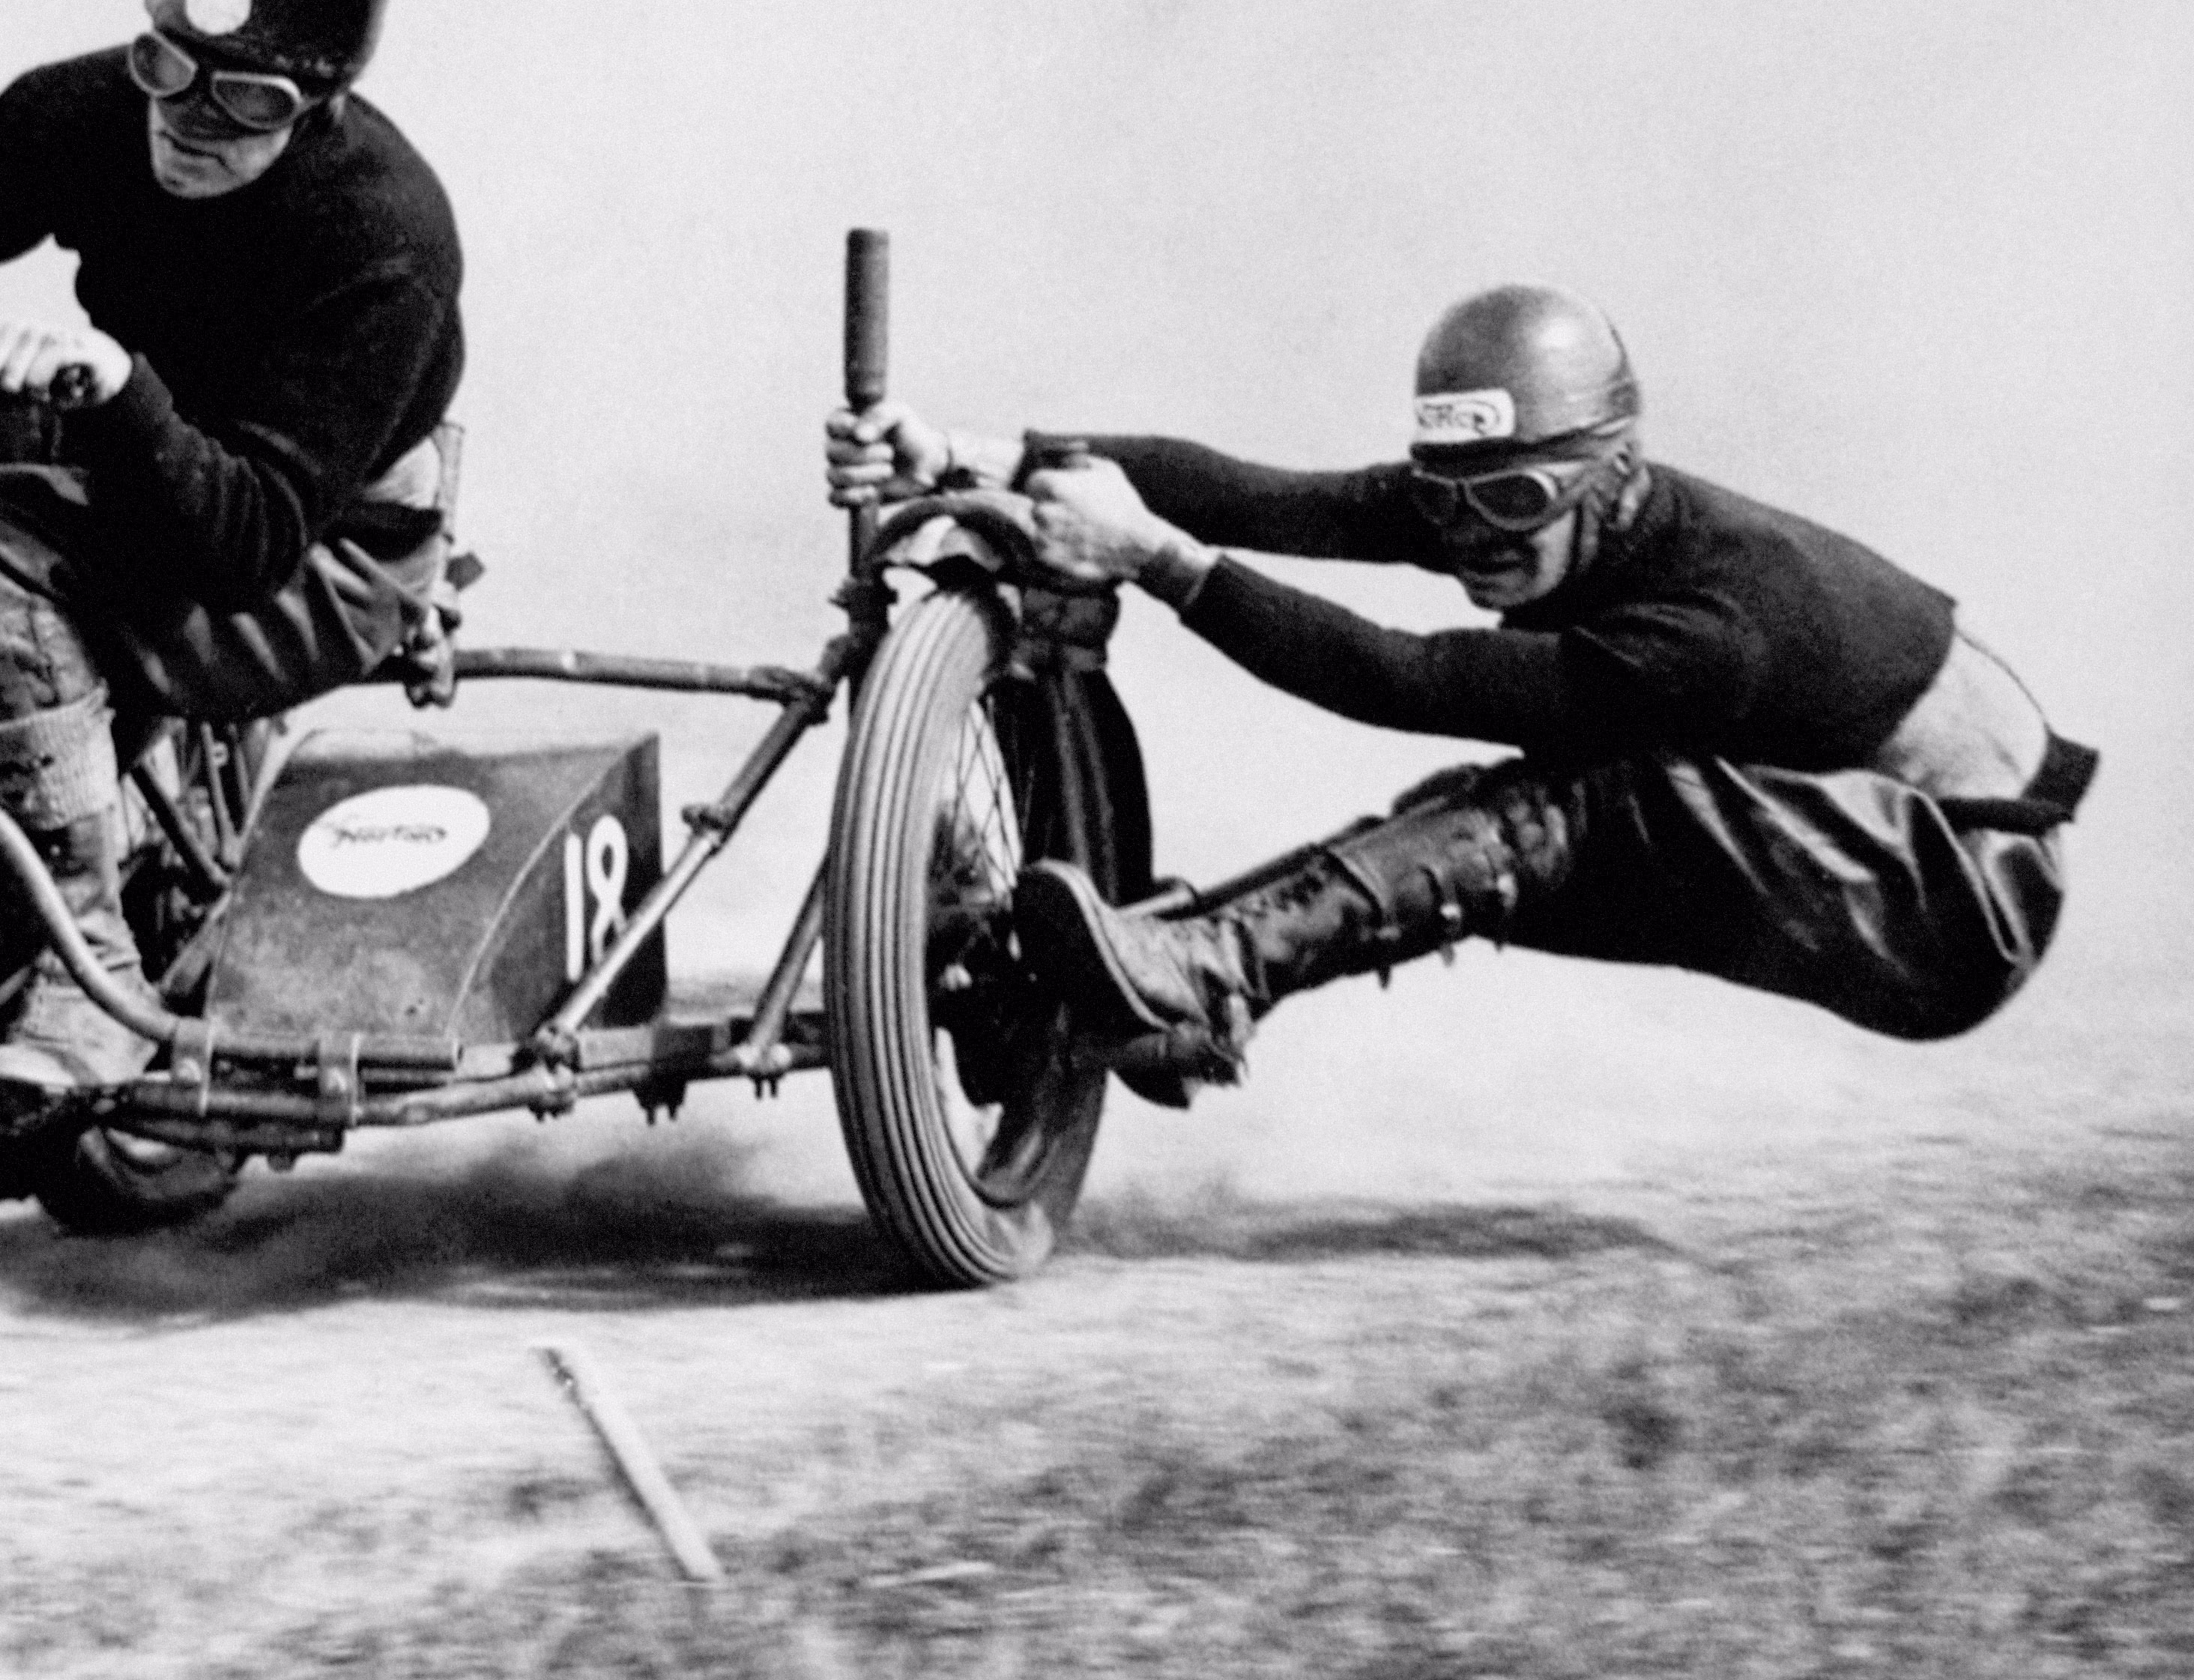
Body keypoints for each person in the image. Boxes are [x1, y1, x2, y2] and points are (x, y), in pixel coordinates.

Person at [824, 285, 2093, 1101]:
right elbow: (1279, 499)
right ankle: (1154, 978)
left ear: (1613, 476)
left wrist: (1154, 563)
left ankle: (1198, 973)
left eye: (1513, 507)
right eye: (1449, 502)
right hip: (1877, 826)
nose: (1478, 541)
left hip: (1962, 903)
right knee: (1477, 818)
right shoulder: (1539, 491)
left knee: (1552, 817)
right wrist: (985, 452)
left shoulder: (1712, 627)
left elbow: (1406, 677)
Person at [0, 0, 463, 1112]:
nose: (188, 121)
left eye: (245, 101)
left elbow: (251, 535)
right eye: (167, 71)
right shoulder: (83, 113)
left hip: (317, 550)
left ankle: (82, 966)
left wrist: (112, 385)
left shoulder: (388, 237)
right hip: (142, 464)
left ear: (317, 103)